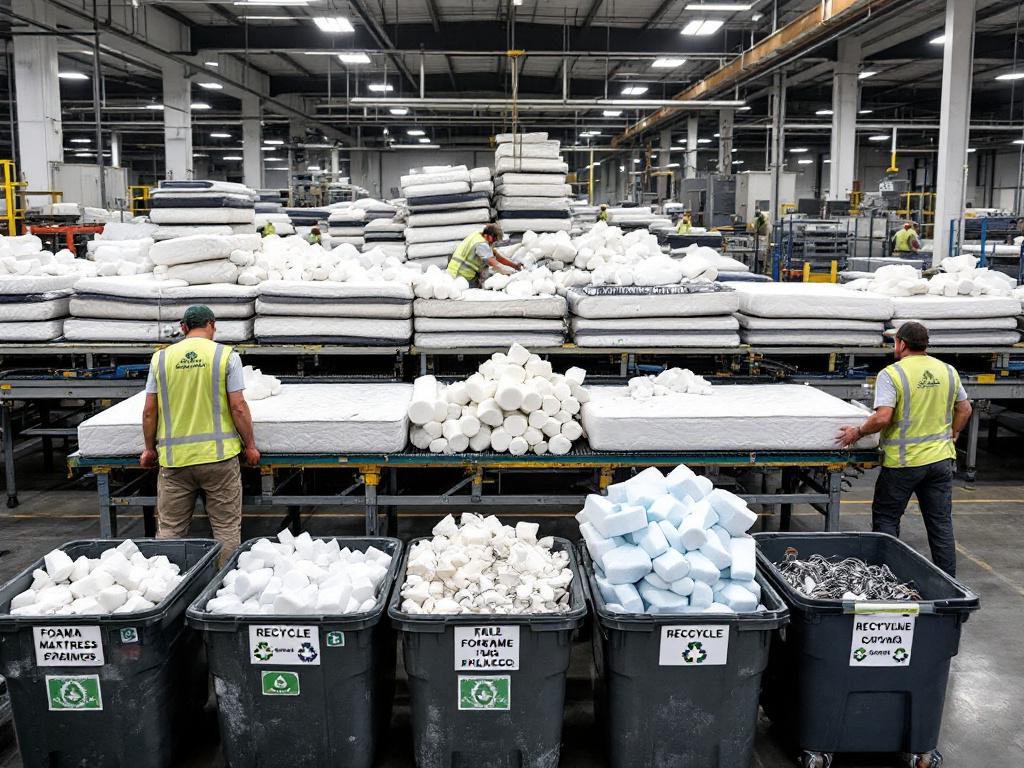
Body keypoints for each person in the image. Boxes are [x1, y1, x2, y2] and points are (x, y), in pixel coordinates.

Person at [836, 322, 972, 576]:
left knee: (887, 520)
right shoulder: (948, 371)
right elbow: (965, 409)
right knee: (940, 524)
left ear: (901, 343)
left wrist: (857, 432)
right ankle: (949, 585)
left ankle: (886, 579)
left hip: (903, 463)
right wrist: (954, 434)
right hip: (941, 461)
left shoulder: (892, 374)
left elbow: (882, 418)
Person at [140, 305, 260, 566]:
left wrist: (149, 449)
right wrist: (250, 445)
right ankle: (221, 587)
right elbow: (238, 406)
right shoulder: (225, 356)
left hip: (175, 461)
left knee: (171, 530)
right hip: (219, 459)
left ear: (183, 328)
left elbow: (150, 411)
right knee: (226, 528)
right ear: (212, 325)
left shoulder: (160, 359)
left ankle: (170, 587)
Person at [446, 223, 521, 285]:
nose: (494, 243)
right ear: (489, 236)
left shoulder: (477, 235)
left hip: (455, 272)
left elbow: (497, 257)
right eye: (494, 240)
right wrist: (507, 272)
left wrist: (514, 266)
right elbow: (492, 262)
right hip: (461, 276)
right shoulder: (481, 244)